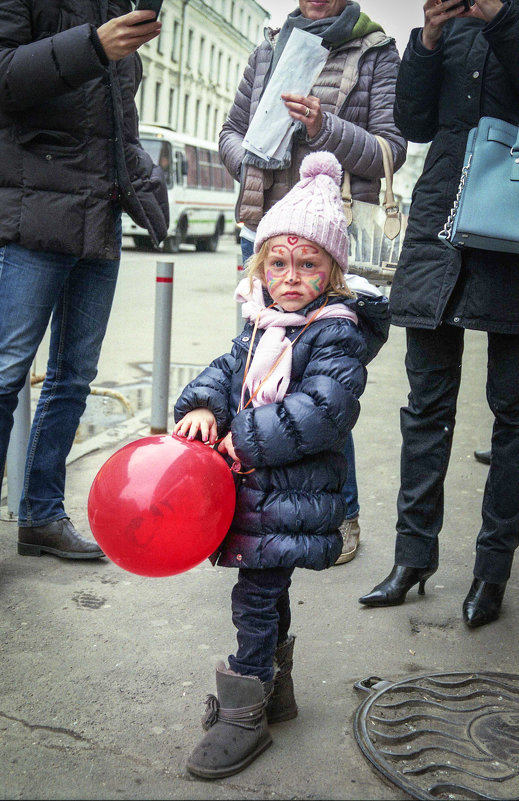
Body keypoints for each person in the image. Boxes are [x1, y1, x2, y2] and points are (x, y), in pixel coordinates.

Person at [173, 153, 389, 778]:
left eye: (308, 263)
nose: (291, 276)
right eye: (278, 262)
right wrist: (208, 407)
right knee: (270, 587)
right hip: (261, 490)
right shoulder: (265, 324)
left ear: (333, 270)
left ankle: (246, 707)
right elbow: (225, 369)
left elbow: (323, 408)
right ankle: (276, 692)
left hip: (284, 488)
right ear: (261, 265)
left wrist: (244, 437)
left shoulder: (335, 332)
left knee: (256, 596)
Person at [219, 0, 406, 566]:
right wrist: (253, 156)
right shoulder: (270, 45)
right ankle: (250, 512)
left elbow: (389, 152)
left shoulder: (374, 51)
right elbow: (230, 131)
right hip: (268, 242)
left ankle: (340, 512)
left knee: (319, 388)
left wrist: (325, 129)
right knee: (254, 377)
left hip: (328, 247)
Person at [359, 0, 519, 628]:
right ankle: (412, 558)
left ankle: (491, 571)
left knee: (512, 412)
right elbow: (414, 121)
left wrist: (502, 16)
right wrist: (426, 39)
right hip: (441, 225)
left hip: (510, 224)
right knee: (425, 402)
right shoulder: (446, 26)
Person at [0, 2, 169, 560]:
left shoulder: (121, 7)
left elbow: (123, 124)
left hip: (100, 213)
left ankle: (41, 516)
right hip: (32, 210)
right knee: (5, 373)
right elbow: (4, 77)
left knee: (74, 378)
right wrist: (92, 47)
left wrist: (143, 182)